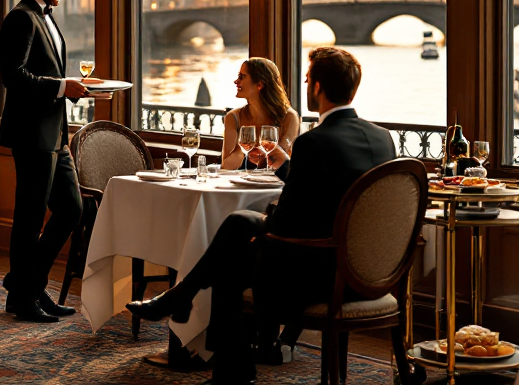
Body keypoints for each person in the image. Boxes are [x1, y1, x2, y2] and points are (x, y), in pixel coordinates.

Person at [127, 47, 397, 385]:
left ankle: (220, 356)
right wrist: (285, 169)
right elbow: (330, 194)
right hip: (370, 273)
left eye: (309, 77)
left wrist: (266, 222)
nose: (305, 81)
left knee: (234, 255)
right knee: (240, 225)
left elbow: (287, 224)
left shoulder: (316, 142)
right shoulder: (382, 137)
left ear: (317, 88)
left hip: (321, 277)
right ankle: (188, 306)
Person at [0, 0, 110, 323]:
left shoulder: (46, 19)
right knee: (29, 218)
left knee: (72, 209)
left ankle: (27, 285)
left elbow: (47, 75)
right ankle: (24, 297)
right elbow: (12, 77)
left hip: (55, 135)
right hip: (32, 134)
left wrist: (78, 88)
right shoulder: (20, 18)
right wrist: (63, 86)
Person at [221, 58, 300, 170]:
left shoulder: (289, 117)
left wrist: (264, 155)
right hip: (240, 184)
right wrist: (242, 147)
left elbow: (278, 161)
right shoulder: (233, 117)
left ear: (259, 85)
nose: (236, 81)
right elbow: (226, 166)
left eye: (241, 77)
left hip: (277, 184)